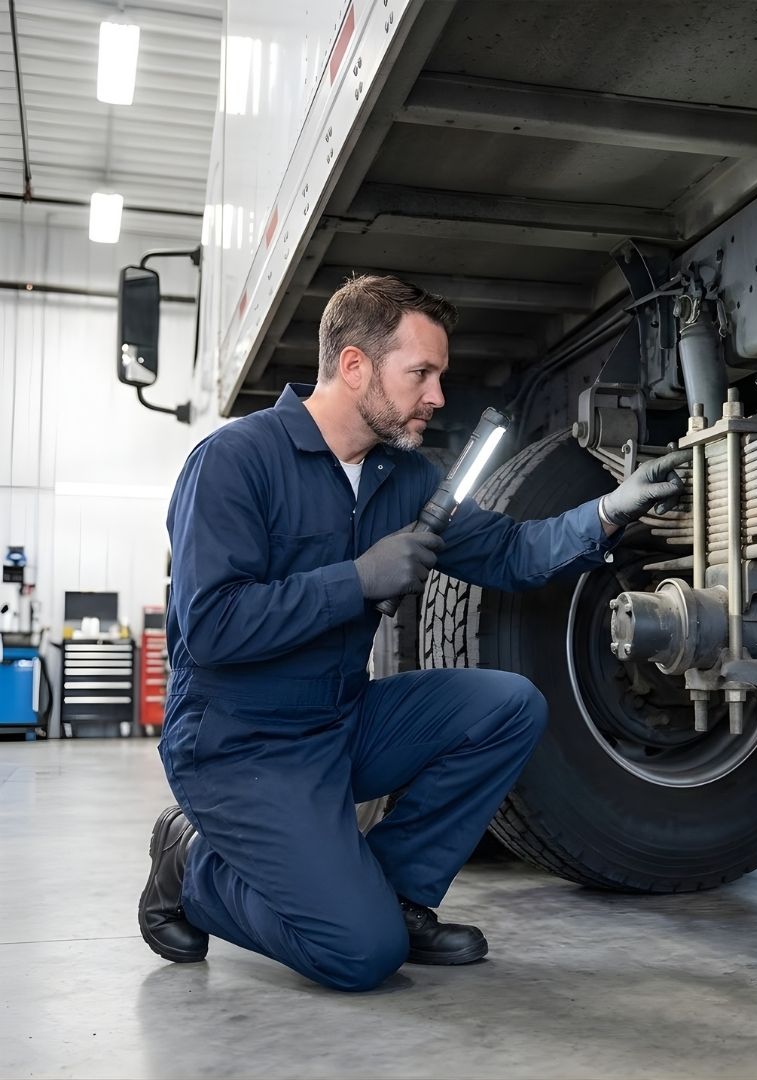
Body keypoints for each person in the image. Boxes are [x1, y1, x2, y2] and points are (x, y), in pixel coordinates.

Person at [138, 274, 689, 992]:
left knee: (506, 705)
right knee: (360, 955)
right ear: (355, 365)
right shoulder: (236, 460)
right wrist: (357, 579)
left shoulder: (402, 477)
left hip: (337, 720)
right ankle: (190, 859)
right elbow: (210, 627)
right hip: (239, 745)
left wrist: (611, 509)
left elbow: (510, 552)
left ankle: (398, 896)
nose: (436, 395)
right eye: (420, 374)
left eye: (440, 377)